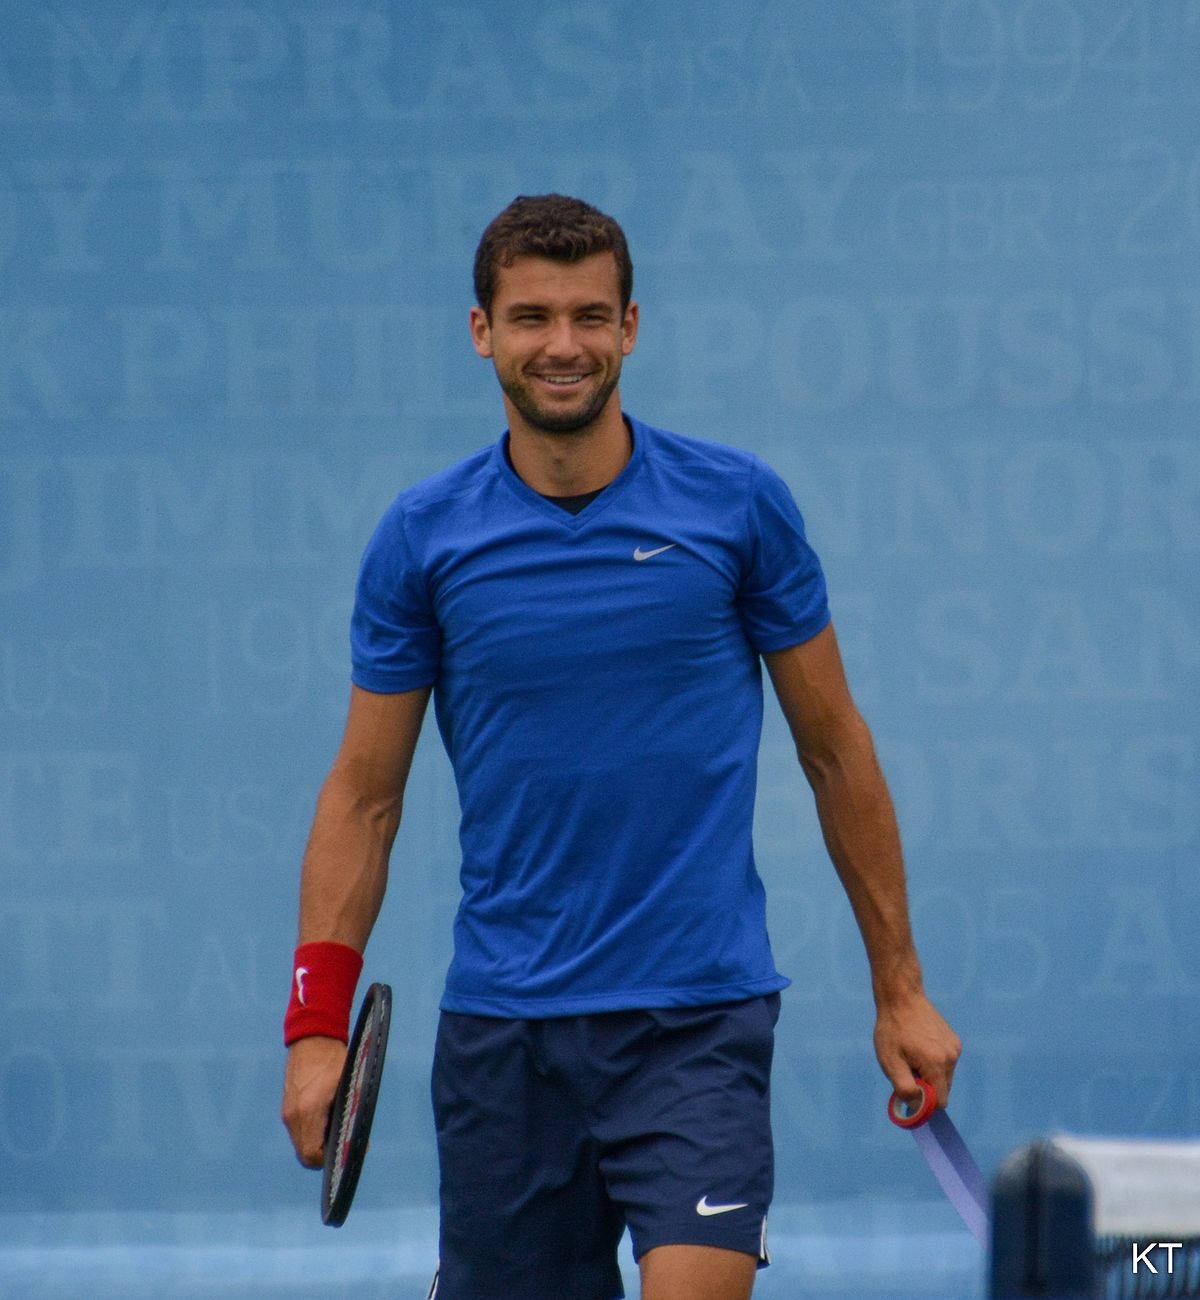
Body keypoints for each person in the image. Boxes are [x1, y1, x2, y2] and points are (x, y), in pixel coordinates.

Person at [281, 194, 961, 1300]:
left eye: (590, 316)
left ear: (631, 328)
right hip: (505, 1042)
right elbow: (365, 796)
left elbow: (835, 750)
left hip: (696, 1023)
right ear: (481, 331)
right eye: (533, 316)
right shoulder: (421, 539)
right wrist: (316, 1026)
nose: (564, 345)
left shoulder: (739, 508)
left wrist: (901, 987)